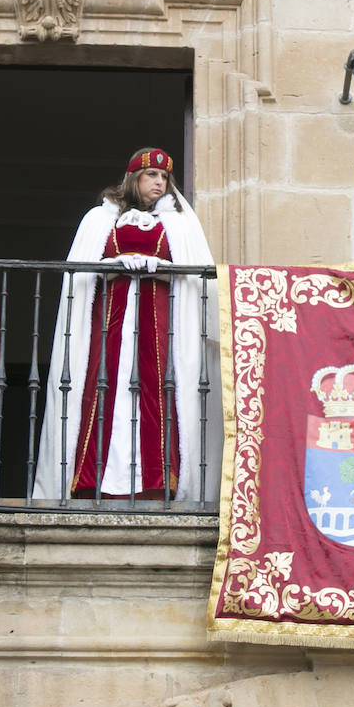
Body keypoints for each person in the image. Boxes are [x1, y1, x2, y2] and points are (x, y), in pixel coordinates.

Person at [34, 147, 213, 502]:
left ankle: (156, 482)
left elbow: (197, 279)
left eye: (164, 177)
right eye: (151, 175)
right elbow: (81, 274)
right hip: (109, 321)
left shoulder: (179, 224)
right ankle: (91, 480)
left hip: (160, 324)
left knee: (157, 389)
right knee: (102, 387)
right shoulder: (99, 220)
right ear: (134, 178)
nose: (159, 182)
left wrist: (160, 270)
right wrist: (115, 264)